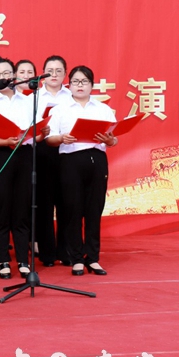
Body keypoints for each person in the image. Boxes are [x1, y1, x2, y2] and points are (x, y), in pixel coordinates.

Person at [0, 58, 43, 279]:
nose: (2, 77)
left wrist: (37, 134)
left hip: (24, 155)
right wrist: (5, 141)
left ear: (14, 76)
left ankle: (23, 260)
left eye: (7, 73)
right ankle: (3, 259)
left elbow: (39, 132)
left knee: (22, 209)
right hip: (0, 155)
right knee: (1, 209)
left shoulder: (28, 101)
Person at [46, 66, 117, 276]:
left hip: (97, 160)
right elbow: (50, 139)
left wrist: (110, 140)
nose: (80, 85)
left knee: (94, 210)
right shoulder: (60, 109)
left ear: (92, 85)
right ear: (69, 85)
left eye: (84, 81)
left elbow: (113, 138)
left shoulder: (103, 109)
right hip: (70, 161)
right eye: (76, 81)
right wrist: (62, 138)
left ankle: (93, 258)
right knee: (72, 210)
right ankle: (76, 258)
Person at [35, 55, 73, 267]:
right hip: (42, 151)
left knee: (67, 201)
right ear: (43, 73)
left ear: (65, 74)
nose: (54, 74)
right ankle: (47, 253)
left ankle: (66, 251)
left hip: (67, 149)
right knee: (44, 203)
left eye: (59, 71)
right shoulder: (34, 96)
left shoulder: (71, 96)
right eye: (50, 70)